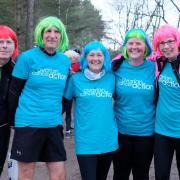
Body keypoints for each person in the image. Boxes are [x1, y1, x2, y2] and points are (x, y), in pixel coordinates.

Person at [8, 16, 70, 180]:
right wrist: (13, 120)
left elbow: (64, 95)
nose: (52, 35)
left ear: (61, 36)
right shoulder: (27, 58)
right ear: (41, 34)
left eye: (56, 31)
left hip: (53, 124)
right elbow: (14, 91)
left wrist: (56, 112)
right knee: (26, 174)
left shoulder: (64, 61)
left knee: (59, 174)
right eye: (47, 31)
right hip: (28, 124)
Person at [64, 41, 118, 180]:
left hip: (108, 140)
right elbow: (61, 105)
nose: (95, 58)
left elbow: (124, 101)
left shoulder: (111, 78)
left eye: (99, 55)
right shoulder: (75, 79)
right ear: (85, 58)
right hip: (85, 142)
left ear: (105, 58)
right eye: (91, 55)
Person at [112, 28, 156, 180]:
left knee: (141, 175)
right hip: (120, 132)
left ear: (145, 47)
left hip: (146, 133)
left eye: (139, 43)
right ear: (125, 46)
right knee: (120, 174)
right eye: (130, 43)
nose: (134, 47)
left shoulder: (155, 68)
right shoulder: (116, 67)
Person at [153, 24, 180, 180]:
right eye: (161, 43)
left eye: (170, 41)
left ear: (177, 41)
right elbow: (135, 57)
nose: (166, 46)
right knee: (161, 175)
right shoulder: (159, 63)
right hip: (162, 131)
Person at [0, 25, 19, 176]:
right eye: (0, 41)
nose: (4, 46)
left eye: (8, 42)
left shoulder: (16, 70)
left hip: (3, 126)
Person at [64, 49, 80, 138]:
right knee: (67, 110)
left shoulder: (78, 65)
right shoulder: (64, 66)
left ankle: (71, 128)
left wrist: (74, 74)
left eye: (75, 58)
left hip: (76, 91)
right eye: (73, 58)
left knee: (76, 110)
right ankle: (67, 129)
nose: (74, 60)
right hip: (67, 91)